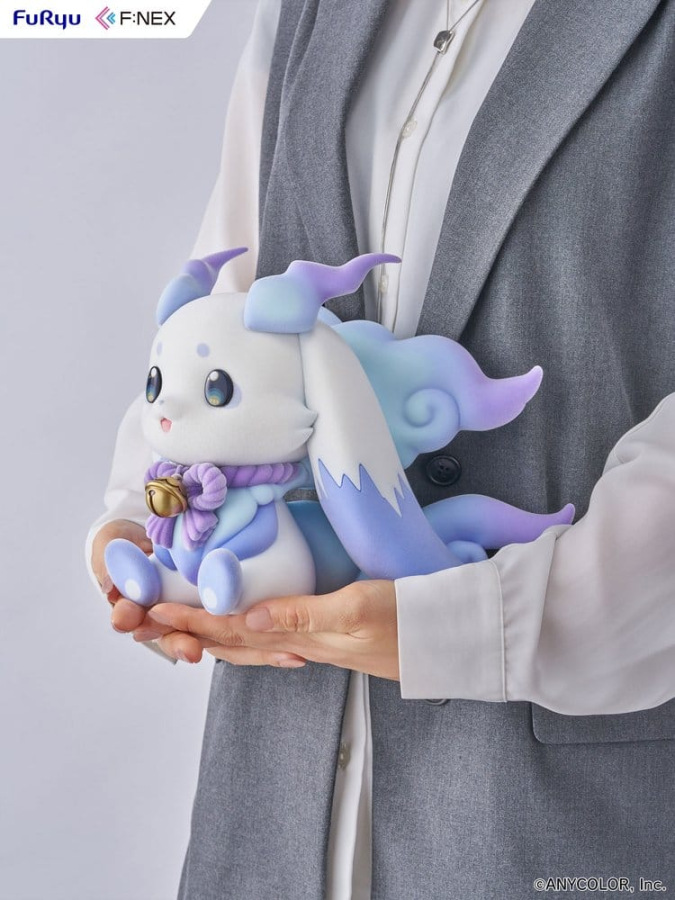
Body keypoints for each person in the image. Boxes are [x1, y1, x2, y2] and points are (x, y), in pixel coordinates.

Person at [88, 0, 675, 897]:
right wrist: (142, 513)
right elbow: (222, 305)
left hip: (555, 811)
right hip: (269, 798)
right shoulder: (305, 14)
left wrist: (493, 623)